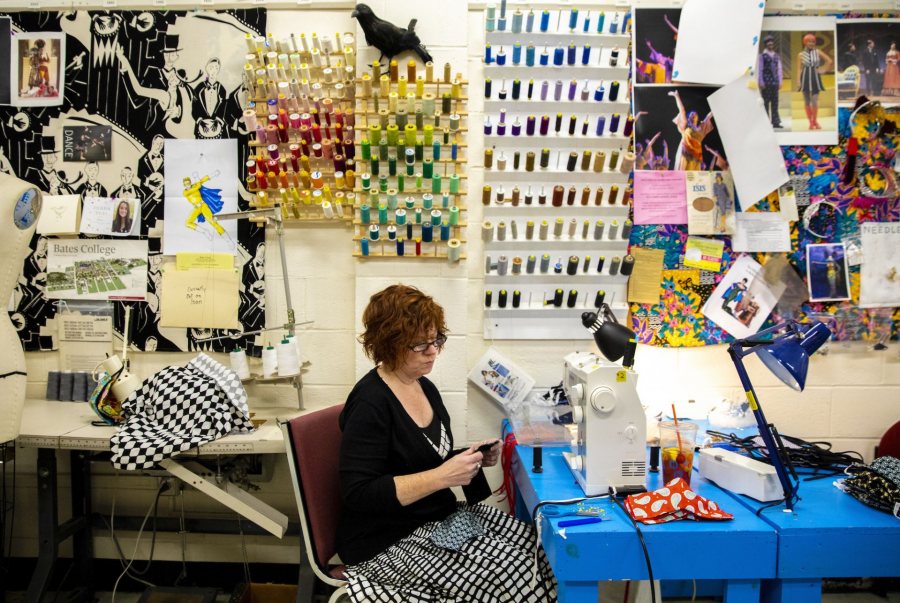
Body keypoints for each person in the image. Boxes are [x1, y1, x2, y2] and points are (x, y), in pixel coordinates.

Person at [337, 284, 557, 602]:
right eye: (419, 345)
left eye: (436, 340)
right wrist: (443, 476)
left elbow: (418, 456)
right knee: (514, 570)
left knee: (539, 547)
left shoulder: (424, 387)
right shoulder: (370, 403)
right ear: (388, 344)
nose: (432, 351)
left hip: (435, 519)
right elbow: (359, 493)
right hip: (386, 540)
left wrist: (470, 459)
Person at [668, 89, 714, 171]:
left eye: (695, 114)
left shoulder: (700, 129)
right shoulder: (685, 126)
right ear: (689, 118)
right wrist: (676, 96)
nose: (693, 115)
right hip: (685, 153)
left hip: (696, 156)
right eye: (691, 115)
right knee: (682, 175)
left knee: (693, 178)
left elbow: (709, 115)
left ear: (697, 118)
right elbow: (682, 110)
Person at [796, 33, 833, 130]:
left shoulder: (818, 52)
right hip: (805, 77)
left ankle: (815, 121)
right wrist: (798, 81)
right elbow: (799, 69)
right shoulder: (800, 55)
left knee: (815, 100)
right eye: (809, 41)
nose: (811, 43)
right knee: (807, 101)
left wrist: (823, 70)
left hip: (815, 77)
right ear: (805, 42)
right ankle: (811, 122)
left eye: (813, 41)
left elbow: (829, 61)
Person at [757, 35, 784, 128]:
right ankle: (765, 123)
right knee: (766, 102)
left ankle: (776, 122)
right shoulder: (762, 56)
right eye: (768, 42)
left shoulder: (776, 56)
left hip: (775, 82)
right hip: (766, 82)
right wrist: (760, 81)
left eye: (771, 41)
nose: (770, 43)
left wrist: (780, 81)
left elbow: (779, 69)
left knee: (775, 102)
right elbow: (760, 69)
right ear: (766, 44)